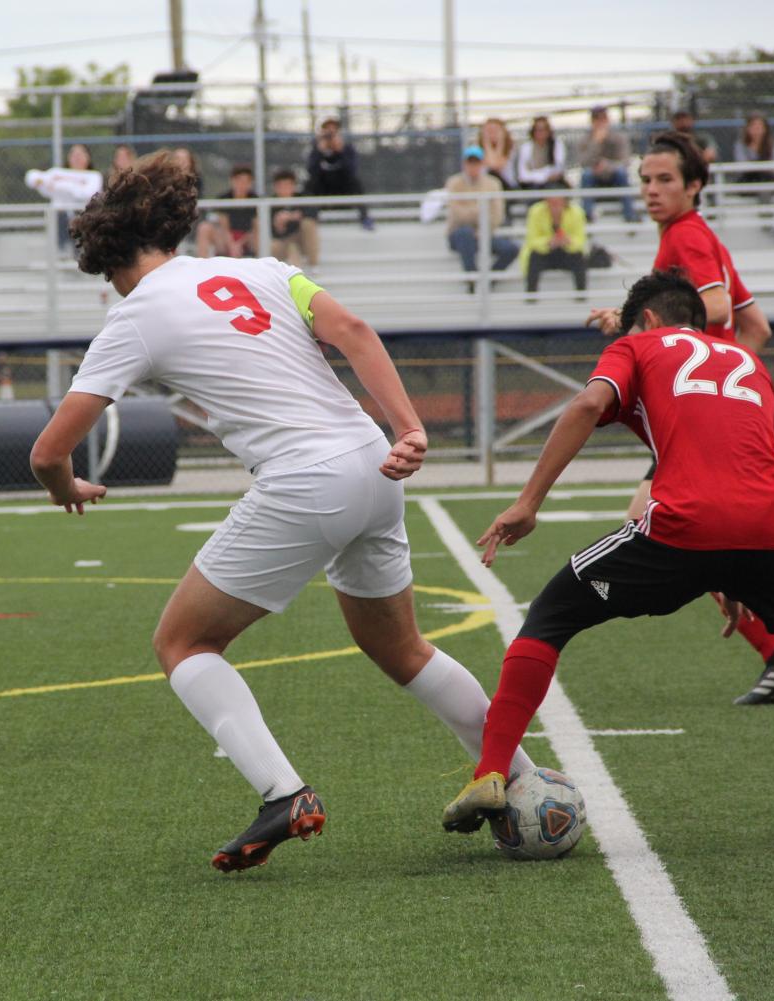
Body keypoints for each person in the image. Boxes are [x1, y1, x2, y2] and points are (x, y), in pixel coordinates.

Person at [29, 151, 538, 872]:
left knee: (181, 643)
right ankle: (514, 775)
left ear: (110, 257)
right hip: (373, 461)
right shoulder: (263, 270)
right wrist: (408, 428)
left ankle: (282, 792)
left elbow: (48, 452)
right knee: (402, 647)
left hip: (304, 481)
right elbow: (353, 328)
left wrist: (65, 488)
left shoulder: (134, 311)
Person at [441, 270, 774, 846]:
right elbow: (772, 460)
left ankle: (490, 772)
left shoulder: (637, 345)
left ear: (646, 319)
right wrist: (737, 573)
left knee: (549, 615)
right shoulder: (748, 362)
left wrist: (527, 503)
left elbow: (590, 402)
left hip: (681, 527)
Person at [585, 131, 774, 707]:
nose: (651, 190)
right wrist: (737, 382)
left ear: (694, 186)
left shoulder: (685, 236)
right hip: (713, 415)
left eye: (665, 180)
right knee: (687, 526)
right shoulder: (704, 237)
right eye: (645, 180)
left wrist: (653, 339)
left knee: (667, 524)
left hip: (690, 416)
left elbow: (717, 307)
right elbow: (757, 329)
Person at [443, 144, 517, 290]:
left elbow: (497, 215)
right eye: (470, 162)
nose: (473, 166)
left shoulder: (492, 183)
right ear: (464, 164)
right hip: (459, 234)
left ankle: (486, 281)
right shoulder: (454, 183)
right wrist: (481, 210)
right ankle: (472, 278)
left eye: (476, 162)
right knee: (465, 234)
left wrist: (482, 227)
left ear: (482, 164)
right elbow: (457, 215)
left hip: (485, 233)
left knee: (511, 249)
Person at [25, 143, 102, 255]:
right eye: (74, 154)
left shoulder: (94, 176)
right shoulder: (57, 172)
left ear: (88, 157)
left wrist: (60, 184)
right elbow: (32, 178)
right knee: (60, 215)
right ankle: (62, 250)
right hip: (60, 221)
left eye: (80, 154)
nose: (77, 158)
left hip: (84, 219)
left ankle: (79, 251)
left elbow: (86, 194)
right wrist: (74, 184)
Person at [520, 184, 588, 299]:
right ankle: (530, 297)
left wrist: (567, 241)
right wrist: (548, 242)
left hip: (567, 252)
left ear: (564, 201)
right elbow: (531, 241)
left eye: (558, 202)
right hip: (544, 253)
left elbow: (580, 240)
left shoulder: (577, 212)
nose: (555, 205)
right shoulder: (536, 211)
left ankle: (581, 296)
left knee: (579, 257)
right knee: (534, 256)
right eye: (551, 202)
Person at [306, 117, 372, 230]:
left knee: (356, 183)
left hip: (343, 186)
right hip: (324, 186)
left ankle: (364, 217)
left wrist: (340, 151)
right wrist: (320, 152)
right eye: (327, 132)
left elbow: (351, 170)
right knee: (309, 185)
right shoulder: (316, 148)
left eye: (333, 131)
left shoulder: (347, 148)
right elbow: (312, 171)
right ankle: (311, 218)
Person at [577, 106, 638, 222]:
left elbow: (625, 161)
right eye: (596, 119)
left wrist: (607, 166)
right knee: (586, 175)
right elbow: (583, 162)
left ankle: (630, 214)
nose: (600, 122)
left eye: (603, 119)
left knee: (621, 173)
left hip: (614, 175)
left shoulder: (619, 138)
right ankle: (587, 215)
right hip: (594, 177)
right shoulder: (585, 139)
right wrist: (596, 143)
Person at [196, 164, 259, 258]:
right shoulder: (224, 199)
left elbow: (255, 226)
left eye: (246, 181)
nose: (242, 185)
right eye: (239, 180)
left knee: (259, 229)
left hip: (247, 239)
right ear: (232, 181)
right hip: (227, 238)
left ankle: (260, 262)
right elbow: (224, 226)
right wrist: (232, 245)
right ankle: (201, 264)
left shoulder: (256, 200)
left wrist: (239, 244)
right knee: (204, 228)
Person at [267, 168, 319, 268]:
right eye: (281, 186)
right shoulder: (270, 204)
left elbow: (312, 215)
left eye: (287, 185)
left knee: (308, 224)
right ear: (276, 187)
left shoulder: (302, 199)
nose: (284, 189)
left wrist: (290, 217)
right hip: (283, 243)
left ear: (293, 186)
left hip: (301, 240)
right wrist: (279, 225)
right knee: (291, 246)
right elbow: (274, 233)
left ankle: (313, 263)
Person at [510, 116, 566, 200]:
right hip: (531, 186)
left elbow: (558, 169)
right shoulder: (525, 148)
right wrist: (544, 176)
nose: (540, 133)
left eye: (543, 129)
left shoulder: (557, 146)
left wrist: (539, 175)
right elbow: (523, 175)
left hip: (552, 185)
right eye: (537, 129)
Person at [731, 113, 774, 197]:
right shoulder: (741, 145)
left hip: (768, 177)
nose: (756, 130)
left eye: (760, 126)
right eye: (753, 126)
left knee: (771, 178)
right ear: (747, 128)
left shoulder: (771, 144)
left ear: (765, 129)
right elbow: (742, 167)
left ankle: (765, 194)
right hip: (749, 179)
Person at [477, 118, 517, 191]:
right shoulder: (477, 150)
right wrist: (487, 144)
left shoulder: (511, 149)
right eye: (489, 131)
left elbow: (497, 166)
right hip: (485, 188)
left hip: (507, 187)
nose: (492, 134)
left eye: (495, 130)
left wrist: (500, 143)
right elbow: (492, 165)